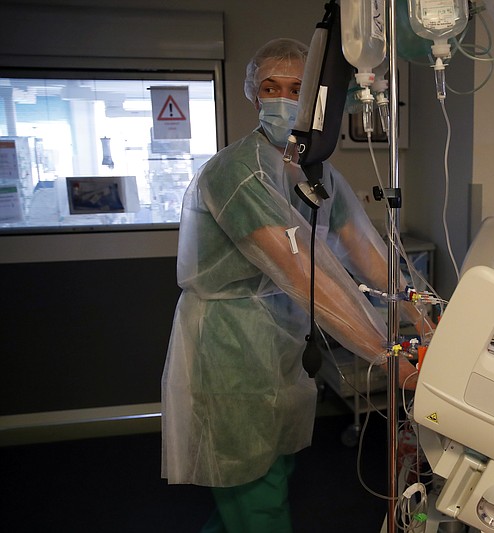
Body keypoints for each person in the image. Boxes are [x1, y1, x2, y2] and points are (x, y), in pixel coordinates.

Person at [161, 38, 428, 532]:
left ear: (314, 99)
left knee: (272, 471)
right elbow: (300, 271)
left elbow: (367, 254)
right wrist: (385, 351)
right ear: (254, 95)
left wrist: (425, 313)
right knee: (253, 490)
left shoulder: (313, 171)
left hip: (279, 343)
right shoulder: (238, 173)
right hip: (230, 349)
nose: (282, 98)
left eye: (296, 89)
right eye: (270, 87)